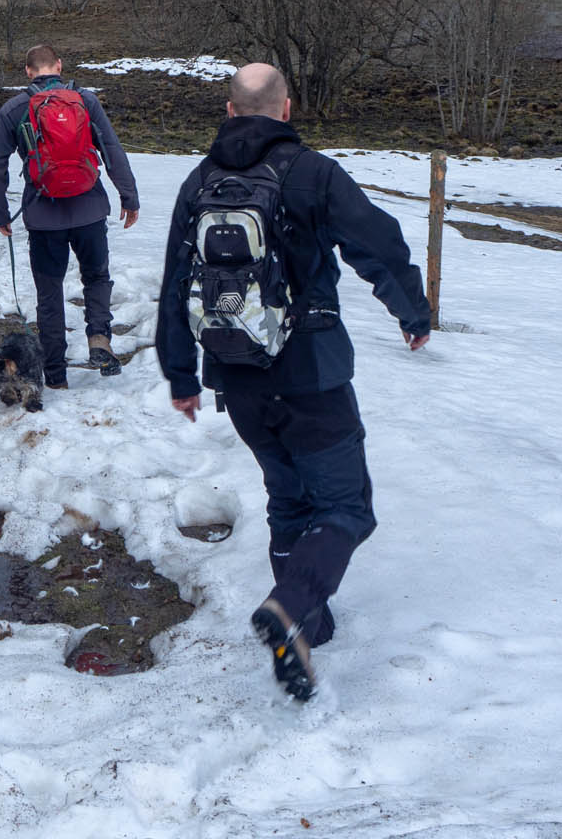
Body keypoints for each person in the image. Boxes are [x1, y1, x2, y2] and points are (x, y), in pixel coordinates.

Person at [156, 62, 431, 701]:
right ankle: (291, 608)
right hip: (313, 376)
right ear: (286, 110)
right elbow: (380, 244)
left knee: (288, 497)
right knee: (346, 507)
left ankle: (309, 622)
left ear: (229, 112)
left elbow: (176, 282)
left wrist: (181, 375)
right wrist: (412, 311)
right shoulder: (314, 174)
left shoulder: (200, 182)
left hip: (239, 377)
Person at [0, 44, 139, 390]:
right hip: (89, 210)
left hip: (42, 215)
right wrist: (128, 196)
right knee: (97, 277)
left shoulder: (14, 109)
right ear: (59, 65)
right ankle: (99, 336)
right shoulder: (85, 101)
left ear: (27, 72)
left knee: (49, 293)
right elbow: (111, 150)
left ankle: (55, 374)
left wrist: (0, 212)